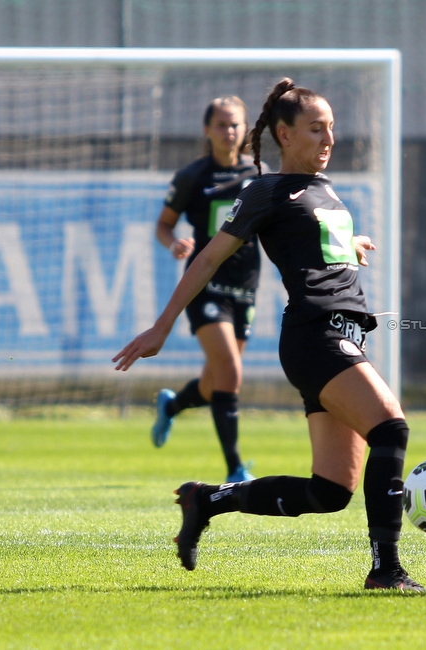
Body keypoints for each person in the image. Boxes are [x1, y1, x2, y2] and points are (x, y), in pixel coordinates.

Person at [114, 78, 424, 592]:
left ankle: (208, 500)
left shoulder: (325, 189)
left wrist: (352, 242)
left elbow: (318, 242)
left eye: (332, 128)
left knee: (331, 491)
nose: (328, 138)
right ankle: (386, 570)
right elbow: (209, 256)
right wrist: (163, 326)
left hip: (345, 332)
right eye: (316, 128)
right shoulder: (264, 190)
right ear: (284, 133)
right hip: (316, 335)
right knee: (391, 429)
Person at [150, 95, 264, 484]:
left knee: (214, 382)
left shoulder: (259, 175)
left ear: (245, 129)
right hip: (206, 287)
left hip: (245, 289)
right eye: (221, 124)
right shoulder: (192, 176)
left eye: (235, 124)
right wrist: (174, 243)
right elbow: (163, 226)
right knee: (230, 372)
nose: (229, 131)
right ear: (207, 130)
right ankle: (235, 467)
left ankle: (173, 404)